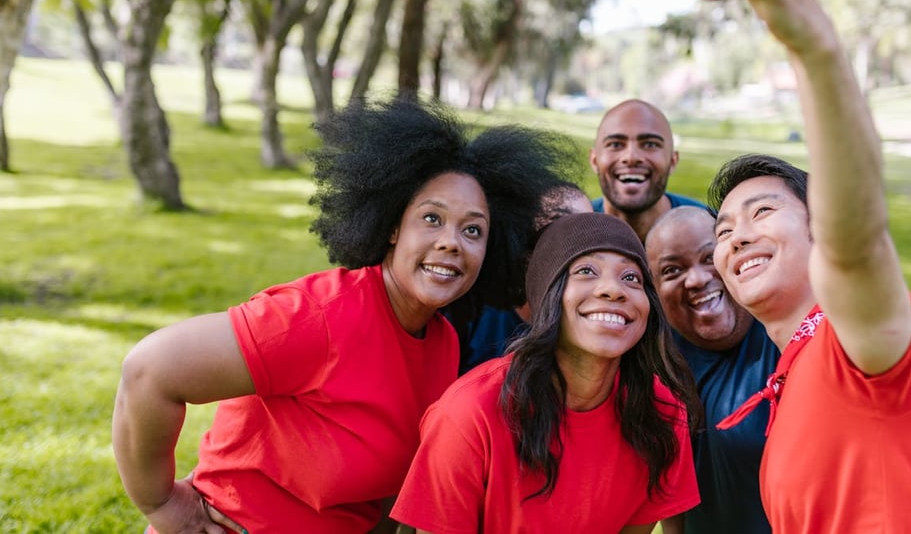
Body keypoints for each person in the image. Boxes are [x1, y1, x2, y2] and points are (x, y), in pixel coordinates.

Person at [112, 97, 577, 534]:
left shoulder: (442, 342)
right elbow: (150, 371)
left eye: (472, 229)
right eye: (431, 219)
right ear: (394, 227)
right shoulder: (317, 318)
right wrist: (163, 505)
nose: (451, 241)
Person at [665, 0, 911, 531]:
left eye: (762, 212)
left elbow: (856, 242)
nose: (736, 237)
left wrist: (810, 41)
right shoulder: (789, 375)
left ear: (817, 225)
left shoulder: (861, 344)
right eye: (724, 229)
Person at [390, 212, 702, 532]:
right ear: (547, 296)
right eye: (586, 271)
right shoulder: (470, 413)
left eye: (632, 278)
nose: (613, 289)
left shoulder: (661, 414)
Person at [646, 206, 777, 534]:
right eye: (672, 270)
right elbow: (665, 490)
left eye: (708, 258)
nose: (696, 279)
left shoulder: (782, 335)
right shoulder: (657, 365)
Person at [459, 181, 593, 374]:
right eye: (559, 222)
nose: (577, 237)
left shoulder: (592, 319)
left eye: (588, 227)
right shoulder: (471, 311)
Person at [590, 99, 704, 241]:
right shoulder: (569, 231)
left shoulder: (710, 230)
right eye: (615, 144)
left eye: (650, 144)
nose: (631, 157)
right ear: (594, 160)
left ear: (672, 161)